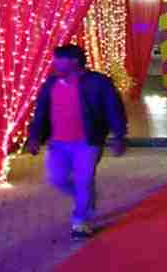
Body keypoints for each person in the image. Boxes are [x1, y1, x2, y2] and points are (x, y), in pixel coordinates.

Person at [26, 44, 127, 240]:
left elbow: (114, 109)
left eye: (58, 59)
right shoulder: (50, 84)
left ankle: (80, 221)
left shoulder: (98, 82)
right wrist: (35, 136)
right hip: (57, 144)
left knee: (84, 180)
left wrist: (119, 136)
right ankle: (87, 198)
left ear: (73, 62)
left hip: (88, 143)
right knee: (57, 179)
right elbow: (40, 113)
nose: (54, 63)